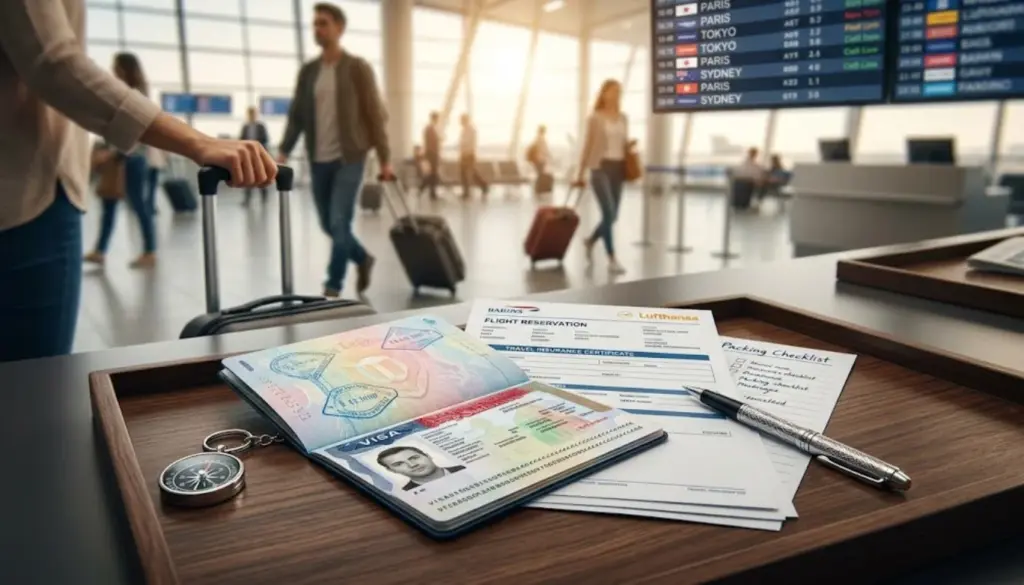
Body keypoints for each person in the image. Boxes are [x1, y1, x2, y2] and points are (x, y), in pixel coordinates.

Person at [0, 0, 276, 363]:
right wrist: (198, 142)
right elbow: (53, 63)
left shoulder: (133, 94)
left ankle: (144, 248)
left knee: (140, 206)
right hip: (29, 193)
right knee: (30, 382)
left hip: (76, 177)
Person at [278, 2, 390, 298]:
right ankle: (362, 258)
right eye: (315, 24)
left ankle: (333, 286)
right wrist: (284, 150)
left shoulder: (357, 68)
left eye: (323, 23)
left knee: (340, 221)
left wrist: (385, 158)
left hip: (349, 157)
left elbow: (375, 114)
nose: (318, 29)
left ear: (340, 28)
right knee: (328, 225)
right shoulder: (309, 72)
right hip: (318, 159)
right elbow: (297, 115)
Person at [83, 53, 159, 269]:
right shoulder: (120, 95)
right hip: (117, 160)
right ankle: (100, 251)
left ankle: (149, 251)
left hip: (131, 160)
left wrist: (113, 154)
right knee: (108, 203)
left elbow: (136, 133)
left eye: (115, 66)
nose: (112, 70)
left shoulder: (137, 97)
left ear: (125, 69)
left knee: (139, 206)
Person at [576, 79, 630, 275]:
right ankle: (612, 258)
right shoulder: (595, 118)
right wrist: (580, 173)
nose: (616, 95)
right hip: (599, 167)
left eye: (619, 91)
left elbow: (623, 144)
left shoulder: (624, 118)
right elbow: (588, 146)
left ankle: (590, 241)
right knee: (608, 213)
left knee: (613, 216)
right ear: (604, 93)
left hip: (619, 168)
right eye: (613, 91)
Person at [376, 446, 465, 491]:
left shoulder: (463, 468)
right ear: (392, 470)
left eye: (414, 458)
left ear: (427, 456)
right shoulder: (406, 493)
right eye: (399, 464)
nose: (412, 465)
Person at [240, 106, 270, 205]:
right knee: (248, 176)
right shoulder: (245, 127)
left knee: (261, 175)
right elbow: (241, 140)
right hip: (248, 154)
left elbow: (265, 139)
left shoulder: (261, 126)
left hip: (259, 154)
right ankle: (247, 199)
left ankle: (264, 197)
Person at [458, 113, 488, 199]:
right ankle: (466, 192)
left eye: (461, 120)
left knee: (471, 173)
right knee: (464, 173)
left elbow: (468, 143)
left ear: (465, 120)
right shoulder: (464, 130)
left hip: (469, 154)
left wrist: (465, 149)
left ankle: (483, 186)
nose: (460, 122)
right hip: (464, 154)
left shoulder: (470, 130)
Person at [422, 111, 441, 200]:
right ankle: (430, 191)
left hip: (433, 154)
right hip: (432, 154)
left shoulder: (431, 129)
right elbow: (430, 143)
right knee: (433, 174)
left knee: (433, 174)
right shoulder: (430, 129)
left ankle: (428, 190)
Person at [526, 125, 551, 194]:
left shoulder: (537, 139)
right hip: (540, 160)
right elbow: (544, 150)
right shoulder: (541, 139)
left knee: (539, 174)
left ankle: (538, 189)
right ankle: (538, 189)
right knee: (540, 175)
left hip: (537, 159)